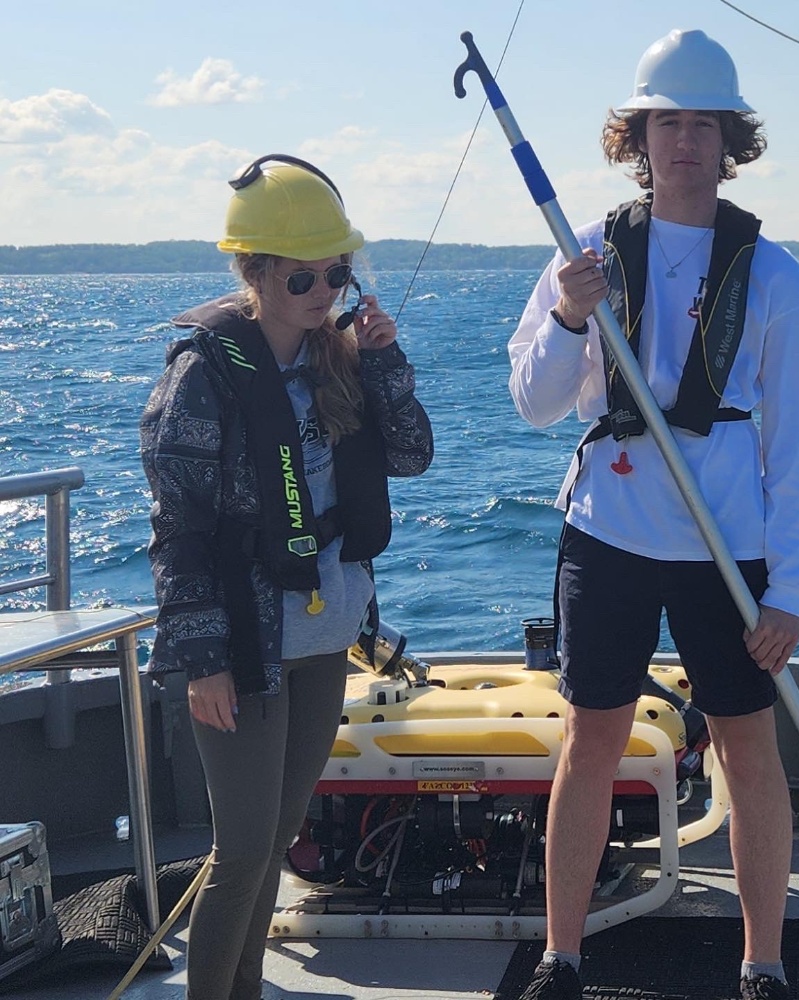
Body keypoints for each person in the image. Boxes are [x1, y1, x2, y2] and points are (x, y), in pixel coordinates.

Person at [507, 29, 799, 1000]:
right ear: (635, 136)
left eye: (702, 124)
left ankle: (761, 961)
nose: (683, 140)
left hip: (727, 550)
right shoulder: (586, 256)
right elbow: (532, 400)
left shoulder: (772, 276)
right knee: (590, 739)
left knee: (746, 744)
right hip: (605, 532)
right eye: (665, 121)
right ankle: (563, 955)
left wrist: (791, 593)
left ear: (730, 140)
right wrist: (568, 318)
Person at [140, 154, 433, 1000]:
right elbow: (179, 532)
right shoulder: (201, 378)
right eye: (305, 276)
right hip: (241, 642)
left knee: (281, 834)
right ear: (255, 272)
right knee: (241, 845)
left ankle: (245, 989)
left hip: (324, 633)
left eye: (337, 273)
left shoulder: (338, 357)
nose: (325, 291)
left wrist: (383, 360)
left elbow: (411, 455)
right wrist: (202, 662)